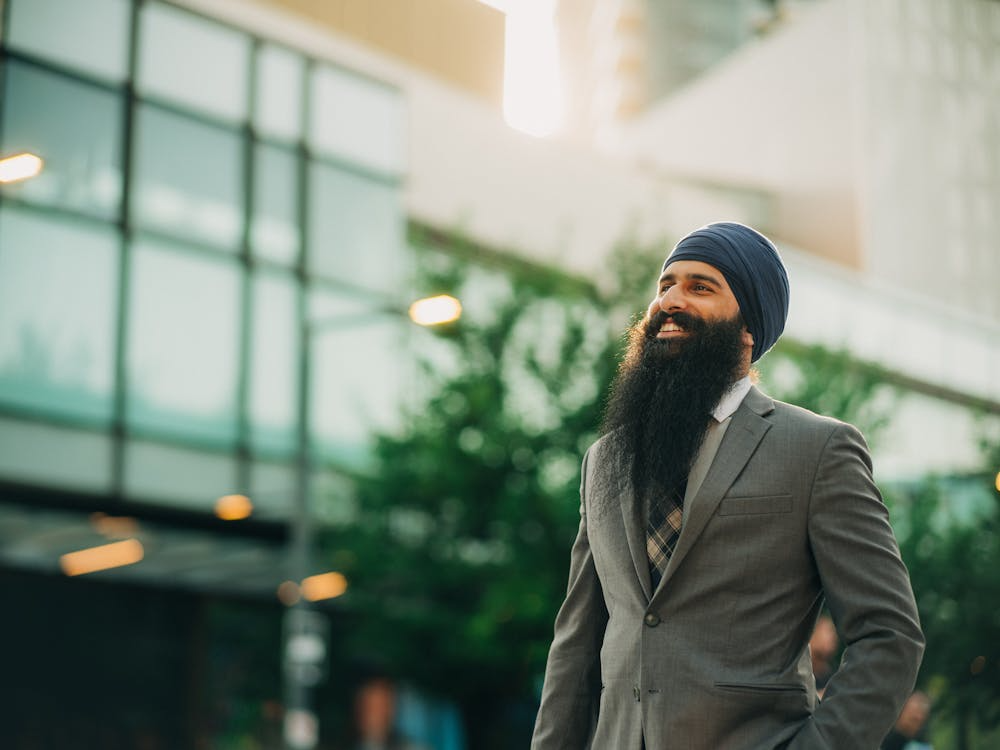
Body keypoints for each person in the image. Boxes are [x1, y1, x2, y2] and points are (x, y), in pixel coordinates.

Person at [531, 222, 924, 749]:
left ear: (748, 326)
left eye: (700, 287)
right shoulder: (604, 459)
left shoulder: (818, 450)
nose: (670, 301)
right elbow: (576, 645)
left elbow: (889, 634)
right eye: (665, 285)